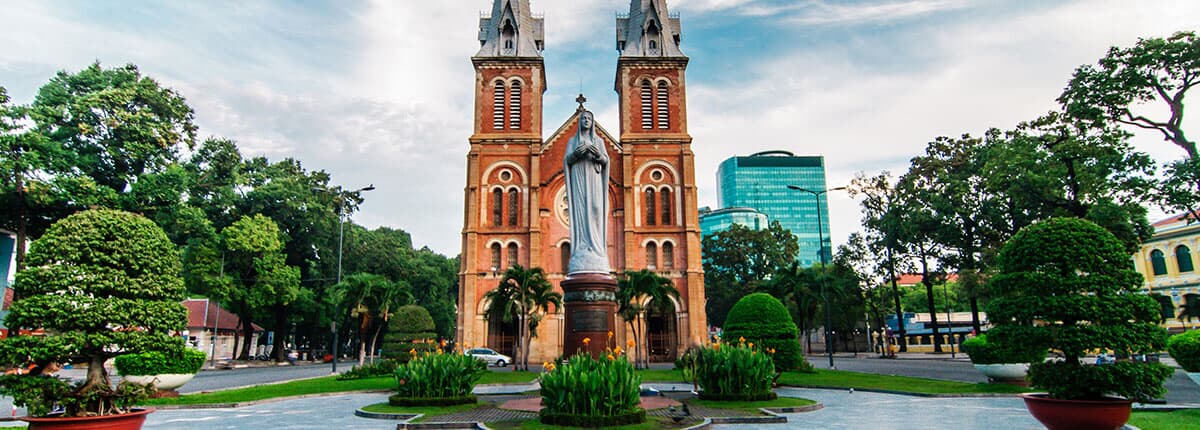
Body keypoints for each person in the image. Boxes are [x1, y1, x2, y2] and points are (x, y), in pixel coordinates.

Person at [562, 105, 611, 274]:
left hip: (594, 181)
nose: (586, 121)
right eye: (583, 118)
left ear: (593, 123)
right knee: (581, 213)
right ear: (579, 122)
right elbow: (567, 160)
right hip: (579, 182)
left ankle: (596, 249)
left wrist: (598, 154)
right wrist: (576, 154)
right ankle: (583, 246)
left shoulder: (599, 142)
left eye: (589, 119)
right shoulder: (572, 142)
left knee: (597, 209)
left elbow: (606, 161)